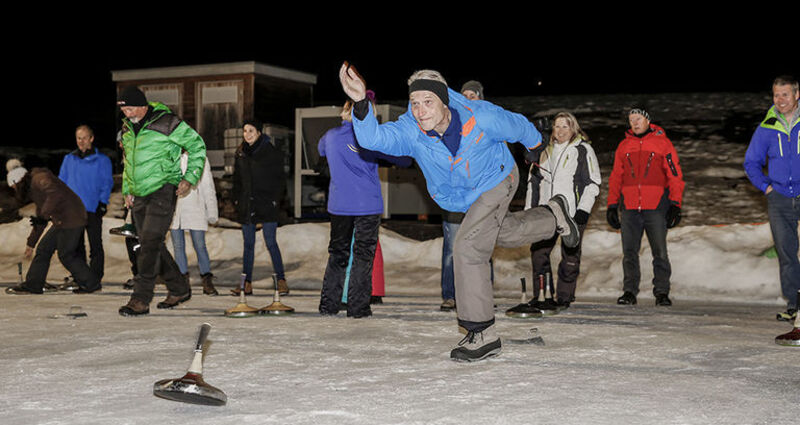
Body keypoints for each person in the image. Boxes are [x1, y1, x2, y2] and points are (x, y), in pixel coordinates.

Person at [339, 63, 579, 361]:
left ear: (444, 101)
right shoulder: (411, 130)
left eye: (428, 102)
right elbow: (372, 139)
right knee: (502, 232)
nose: (420, 111)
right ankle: (554, 216)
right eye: (415, 103)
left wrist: (535, 145)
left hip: (497, 179)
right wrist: (361, 102)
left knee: (468, 247)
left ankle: (482, 331)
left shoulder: (480, 115)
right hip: (463, 197)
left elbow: (517, 125)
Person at [318, 93, 412, 318]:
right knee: (362, 256)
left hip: (339, 204)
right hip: (367, 205)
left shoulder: (329, 136)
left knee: (337, 254)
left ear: (345, 111)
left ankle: (329, 305)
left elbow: (320, 154)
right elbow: (404, 160)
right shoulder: (371, 137)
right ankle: (358, 308)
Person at [116, 86, 207, 316]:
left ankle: (140, 299)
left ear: (142, 105)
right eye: (124, 110)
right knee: (150, 243)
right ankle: (179, 288)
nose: (127, 114)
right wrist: (127, 189)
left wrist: (190, 178)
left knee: (148, 243)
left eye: (130, 108)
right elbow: (128, 162)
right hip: (140, 193)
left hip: (163, 188)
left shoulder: (167, 122)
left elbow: (197, 145)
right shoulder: (127, 128)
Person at [510, 111, 601, 313]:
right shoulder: (544, 151)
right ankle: (543, 295)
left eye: (565, 126)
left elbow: (593, 183)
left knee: (570, 255)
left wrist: (583, 210)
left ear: (573, 128)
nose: (560, 130)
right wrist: (530, 211)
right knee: (539, 253)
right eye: (557, 126)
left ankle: (564, 297)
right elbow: (533, 182)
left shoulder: (583, 149)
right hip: (546, 212)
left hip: (572, 212)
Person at [607, 107, 684, 307]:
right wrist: (612, 204)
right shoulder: (624, 146)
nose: (635, 123)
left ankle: (662, 292)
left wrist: (675, 203)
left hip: (656, 205)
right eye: (631, 119)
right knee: (629, 252)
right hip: (629, 206)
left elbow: (675, 175)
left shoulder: (663, 144)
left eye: (638, 118)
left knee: (660, 251)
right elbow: (616, 177)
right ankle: (629, 291)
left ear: (648, 120)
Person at [743, 75, 799, 322]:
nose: (780, 99)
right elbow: (751, 162)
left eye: (785, 94)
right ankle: (794, 305)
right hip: (779, 199)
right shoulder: (767, 126)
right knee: (786, 253)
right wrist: (766, 187)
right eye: (776, 95)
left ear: (797, 95)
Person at [5, 160, 101, 294]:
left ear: (18, 181)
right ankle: (33, 284)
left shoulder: (39, 178)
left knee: (66, 254)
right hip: (63, 220)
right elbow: (41, 217)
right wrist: (31, 243)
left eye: (14, 186)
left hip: (71, 217)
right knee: (44, 249)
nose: (14, 190)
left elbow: (54, 195)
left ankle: (91, 283)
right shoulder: (34, 189)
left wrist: (44, 214)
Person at [438, 80, 490, 312]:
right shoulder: (449, 124)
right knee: (452, 248)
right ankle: (450, 295)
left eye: (473, 95)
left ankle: (482, 295)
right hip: (455, 198)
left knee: (481, 247)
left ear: (480, 99)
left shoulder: (489, 125)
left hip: (481, 197)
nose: (468, 99)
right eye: (464, 95)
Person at [232, 120, 288, 296]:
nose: (247, 134)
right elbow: (237, 179)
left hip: (267, 203)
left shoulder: (270, 152)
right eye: (245, 131)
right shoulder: (241, 153)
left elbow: (280, 180)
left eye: (251, 130)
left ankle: (281, 281)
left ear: (259, 133)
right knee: (248, 244)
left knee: (270, 242)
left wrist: (275, 200)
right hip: (247, 204)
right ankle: (246, 283)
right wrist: (236, 200)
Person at [58, 124, 114, 282]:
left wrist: (103, 202)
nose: (81, 141)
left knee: (95, 245)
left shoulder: (102, 160)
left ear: (91, 138)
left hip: (93, 207)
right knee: (76, 245)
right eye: (78, 138)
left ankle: (95, 277)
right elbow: (61, 183)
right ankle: (81, 276)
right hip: (73, 209)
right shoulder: (69, 159)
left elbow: (107, 183)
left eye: (84, 138)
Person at [169, 151, 219, 296]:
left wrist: (212, 212)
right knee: (178, 246)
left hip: (195, 208)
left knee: (200, 245)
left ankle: (206, 279)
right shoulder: (169, 155)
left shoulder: (199, 157)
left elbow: (208, 186)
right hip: (175, 210)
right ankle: (182, 281)